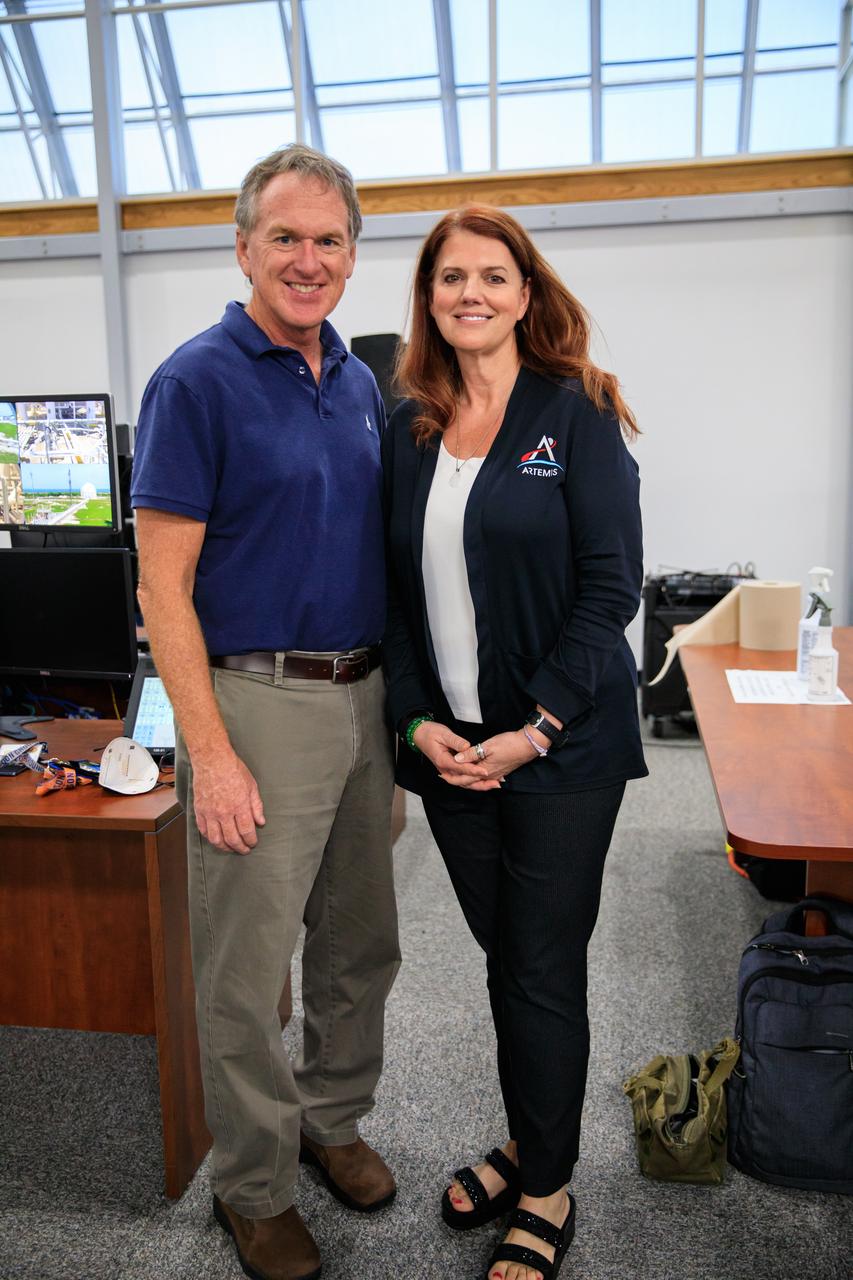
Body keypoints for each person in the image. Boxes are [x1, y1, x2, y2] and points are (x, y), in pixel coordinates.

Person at [131, 144, 401, 1280]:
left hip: (364, 699)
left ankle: (330, 1119)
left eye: (328, 240)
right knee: (247, 968)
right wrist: (211, 750)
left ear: (351, 257)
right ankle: (252, 1185)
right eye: (283, 236)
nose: (306, 258)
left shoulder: (357, 378)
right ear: (241, 246)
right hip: (255, 698)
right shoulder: (195, 379)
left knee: (358, 943)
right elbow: (161, 590)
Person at [382, 205, 647, 1280]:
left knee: (539, 966)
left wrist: (532, 728)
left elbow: (610, 591)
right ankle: (532, 1134)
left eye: (493, 275)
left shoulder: (574, 411)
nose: (472, 294)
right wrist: (417, 721)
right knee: (511, 963)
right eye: (452, 277)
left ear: (525, 293)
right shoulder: (409, 423)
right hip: (453, 754)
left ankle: (545, 1185)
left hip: (560, 751)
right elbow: (393, 600)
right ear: (429, 296)